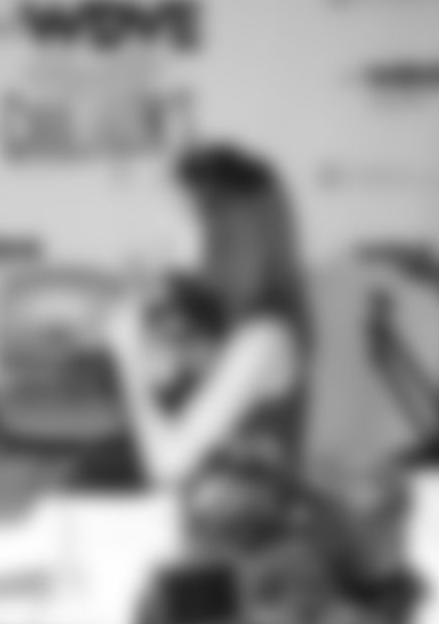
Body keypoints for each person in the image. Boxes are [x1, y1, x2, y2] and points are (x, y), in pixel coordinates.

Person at [105, 143, 311, 488]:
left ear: (223, 231)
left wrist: (129, 353)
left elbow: (168, 466)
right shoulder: (213, 314)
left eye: (178, 216)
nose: (162, 231)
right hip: (203, 509)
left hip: (243, 520)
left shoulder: (264, 338)